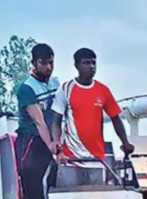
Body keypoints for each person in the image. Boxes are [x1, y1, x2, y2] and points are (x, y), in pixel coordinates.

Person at [51, 48, 134, 186]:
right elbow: (56, 122)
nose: (91, 67)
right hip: (71, 161)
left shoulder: (103, 90)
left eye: (93, 63)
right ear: (77, 66)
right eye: (86, 63)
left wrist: (125, 142)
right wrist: (58, 148)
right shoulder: (66, 89)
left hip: (97, 161)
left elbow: (116, 119)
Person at [15, 43, 60, 199]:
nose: (48, 67)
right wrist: (52, 147)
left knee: (58, 187)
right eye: (44, 63)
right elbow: (40, 121)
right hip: (31, 141)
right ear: (34, 63)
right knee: (34, 188)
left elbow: (61, 115)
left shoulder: (57, 83)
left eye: (51, 62)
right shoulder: (26, 88)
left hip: (52, 139)